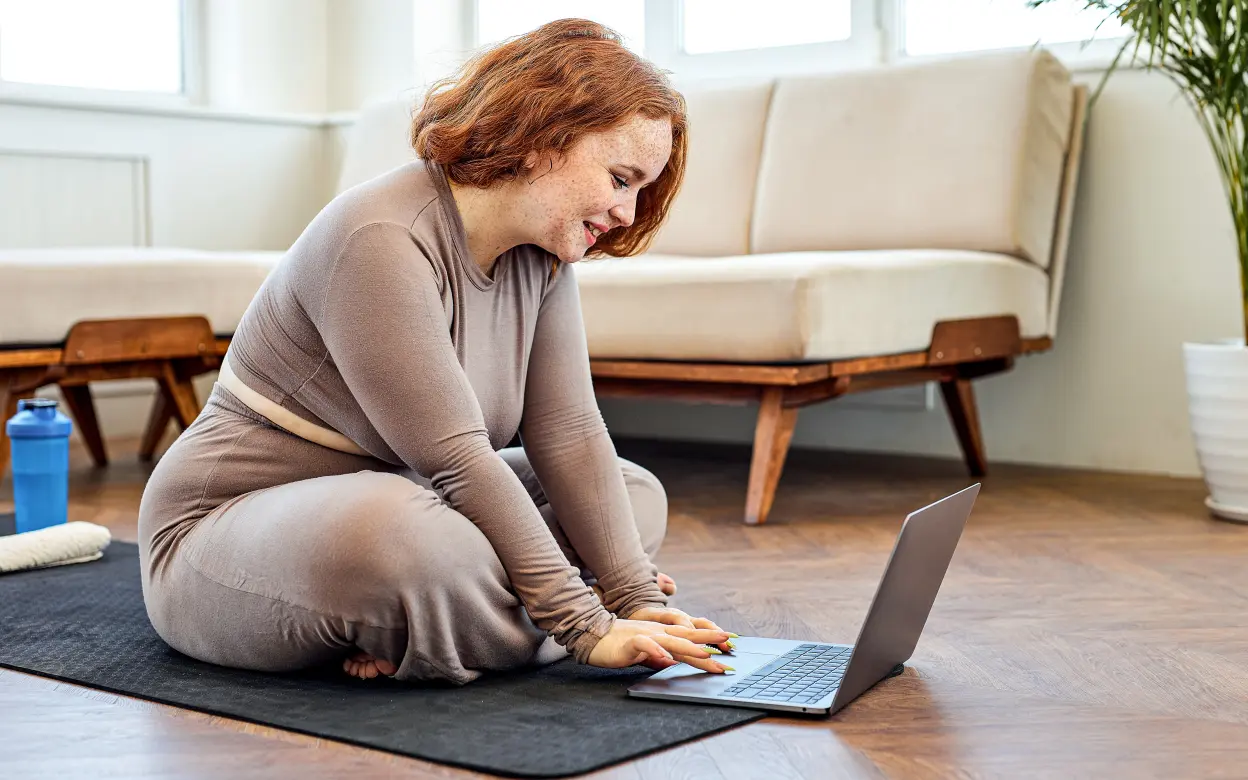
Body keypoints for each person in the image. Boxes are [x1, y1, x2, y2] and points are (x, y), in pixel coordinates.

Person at [136, 18, 737, 685]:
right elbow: (457, 460)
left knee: (632, 494)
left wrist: (637, 598)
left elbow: (568, 432)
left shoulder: (542, 254)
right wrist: (585, 625)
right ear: (542, 137)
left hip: (414, 498)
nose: (628, 212)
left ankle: (433, 626)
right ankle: (491, 620)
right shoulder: (377, 236)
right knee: (406, 541)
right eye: (622, 179)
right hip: (224, 532)